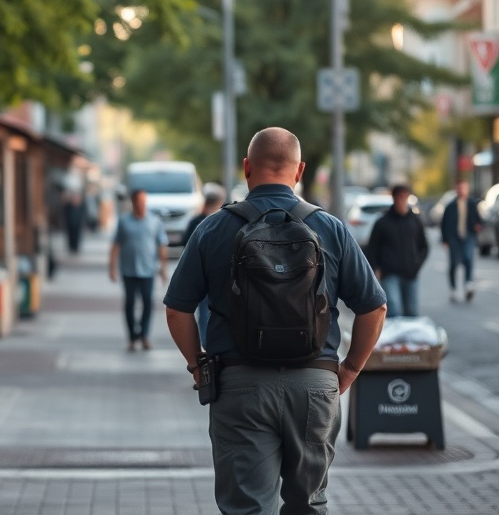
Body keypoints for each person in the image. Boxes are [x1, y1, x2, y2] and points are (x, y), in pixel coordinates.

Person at [164, 127, 387, 515]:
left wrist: (199, 367)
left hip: (239, 384)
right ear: (299, 170)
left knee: (247, 507)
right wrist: (348, 370)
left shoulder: (214, 228)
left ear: (247, 167)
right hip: (316, 384)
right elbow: (374, 308)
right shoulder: (331, 229)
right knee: (309, 505)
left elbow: (176, 309)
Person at [109, 188, 169, 351]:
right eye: (139, 202)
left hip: (148, 270)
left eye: (144, 202)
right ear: (133, 202)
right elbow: (115, 245)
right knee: (129, 304)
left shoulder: (154, 221)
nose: (142, 205)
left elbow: (161, 246)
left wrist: (163, 269)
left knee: (148, 303)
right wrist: (112, 267)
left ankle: (144, 335)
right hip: (128, 270)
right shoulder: (124, 222)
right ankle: (132, 337)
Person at [365, 183, 428, 317]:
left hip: (411, 273)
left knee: (412, 312)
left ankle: (410, 338)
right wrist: (375, 269)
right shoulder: (382, 222)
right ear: (394, 199)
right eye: (399, 197)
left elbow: (424, 247)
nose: (402, 201)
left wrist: (417, 265)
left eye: (405, 197)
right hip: (389, 273)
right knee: (394, 310)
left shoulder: (415, 221)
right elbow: (372, 248)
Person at [182, 183, 226, 348]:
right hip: (219, 273)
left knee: (203, 309)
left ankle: (206, 343)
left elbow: (185, 244)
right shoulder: (223, 222)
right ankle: (210, 342)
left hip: (199, 271)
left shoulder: (196, 222)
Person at [440, 180, 483, 303]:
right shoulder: (450, 206)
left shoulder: (472, 204)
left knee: (468, 258)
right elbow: (444, 224)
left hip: (468, 236)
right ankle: (453, 288)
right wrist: (445, 239)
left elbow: (479, 220)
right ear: (456, 189)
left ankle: (468, 284)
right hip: (454, 237)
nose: (461, 190)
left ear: (467, 189)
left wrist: (478, 226)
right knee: (454, 263)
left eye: (464, 188)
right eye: (459, 188)